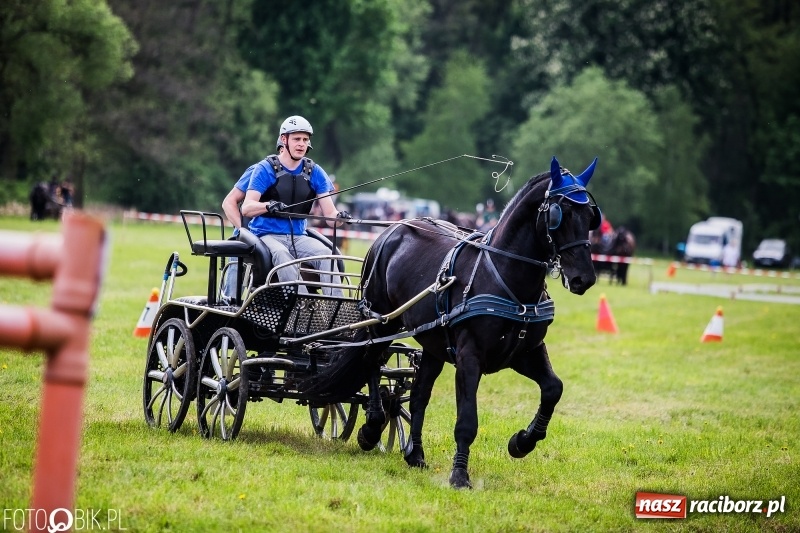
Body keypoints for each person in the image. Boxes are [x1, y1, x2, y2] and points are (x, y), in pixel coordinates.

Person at [241, 115, 350, 295]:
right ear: (284, 140)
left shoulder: (315, 171)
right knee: (283, 255)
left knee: (328, 257)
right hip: (266, 235)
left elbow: (331, 216)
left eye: (305, 139)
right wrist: (267, 206)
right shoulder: (265, 169)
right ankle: (301, 305)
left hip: (299, 237)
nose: (301, 144)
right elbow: (246, 207)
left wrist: (340, 218)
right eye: (297, 139)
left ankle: (336, 311)